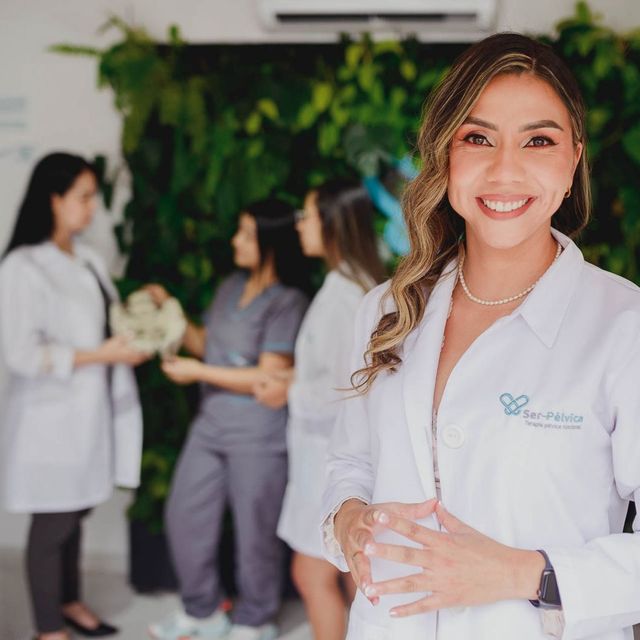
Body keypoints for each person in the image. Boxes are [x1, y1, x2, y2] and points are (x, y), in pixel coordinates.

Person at [321, 33, 640, 640]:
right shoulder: (387, 310)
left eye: (538, 141)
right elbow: (349, 463)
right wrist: (350, 522)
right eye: (477, 138)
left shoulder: (626, 326)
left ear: (573, 159)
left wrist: (523, 574)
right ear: (445, 154)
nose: (505, 170)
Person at [147, 199, 310, 640]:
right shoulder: (229, 287)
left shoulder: (288, 302)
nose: (236, 241)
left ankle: (255, 619)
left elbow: (268, 376)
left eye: (247, 235)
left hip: (258, 434)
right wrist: (171, 310)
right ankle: (202, 612)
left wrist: (198, 373)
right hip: (210, 426)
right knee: (184, 516)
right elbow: (207, 345)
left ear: (271, 243)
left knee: (255, 534)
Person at [0, 152, 147, 640]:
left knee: (77, 511)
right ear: (53, 199)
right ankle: (49, 629)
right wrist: (101, 354)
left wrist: (134, 336)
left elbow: (106, 322)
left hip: (89, 413)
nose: (91, 208)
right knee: (54, 522)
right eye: (82, 197)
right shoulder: (23, 266)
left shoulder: (86, 258)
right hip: (49, 420)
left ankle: (69, 601)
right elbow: (21, 353)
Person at [253, 179, 386, 640]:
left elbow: (343, 390)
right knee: (353, 574)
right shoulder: (355, 286)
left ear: (333, 223)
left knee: (313, 574)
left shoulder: (346, 297)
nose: (299, 226)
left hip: (330, 456)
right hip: (331, 454)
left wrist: (287, 389)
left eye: (306, 216)